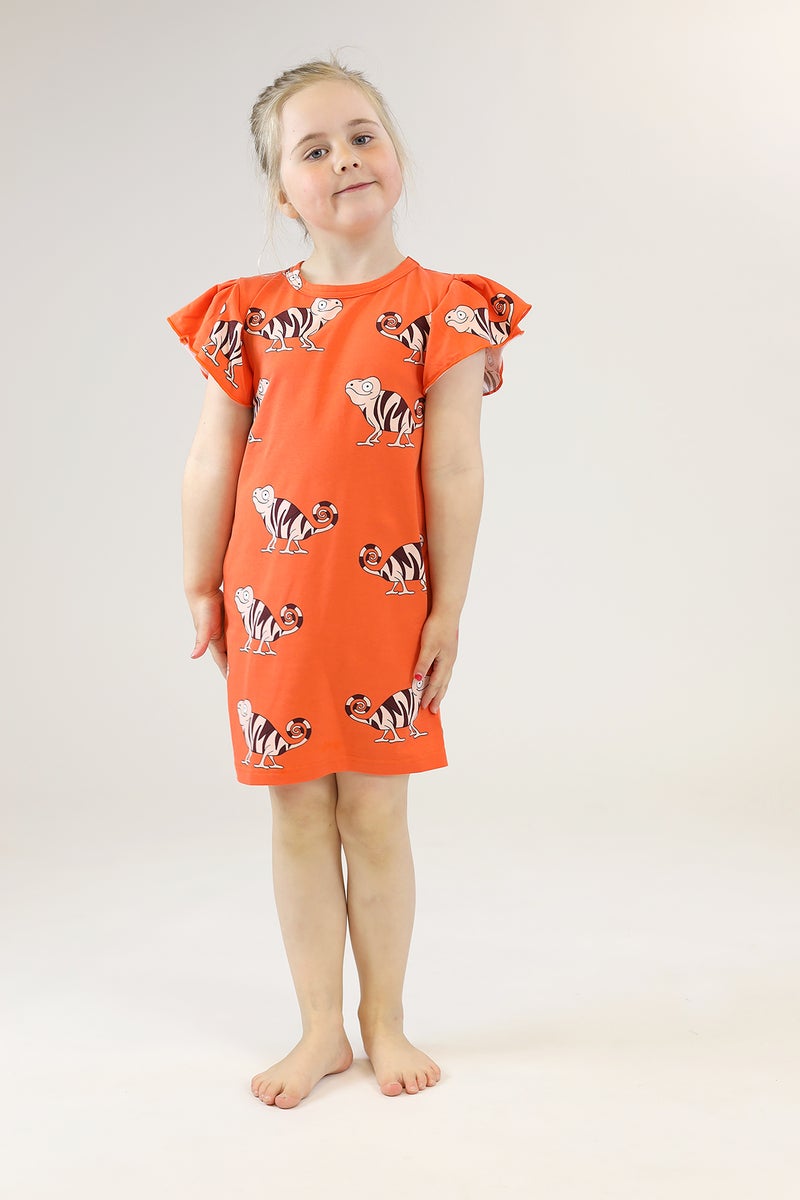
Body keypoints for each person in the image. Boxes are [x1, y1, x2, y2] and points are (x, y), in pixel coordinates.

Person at [166, 54, 531, 1109]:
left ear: (396, 154)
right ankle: (320, 1026)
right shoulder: (242, 315)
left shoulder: (447, 310)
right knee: (295, 816)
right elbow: (211, 457)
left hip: (385, 603)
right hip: (271, 602)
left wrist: (448, 607)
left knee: (374, 815)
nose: (344, 159)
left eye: (361, 135)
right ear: (283, 193)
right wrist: (200, 581)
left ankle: (386, 1018)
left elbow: (452, 467)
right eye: (313, 149)